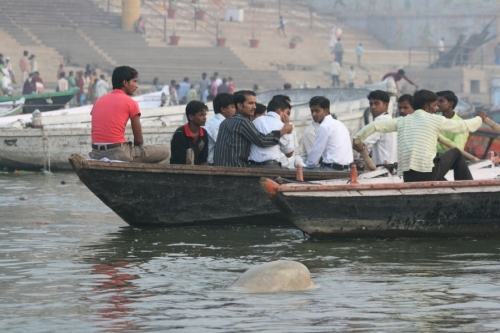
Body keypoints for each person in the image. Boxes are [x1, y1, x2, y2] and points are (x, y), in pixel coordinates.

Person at [353, 89, 485, 182]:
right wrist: (480, 118)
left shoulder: (402, 121)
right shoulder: (434, 119)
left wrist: (358, 138)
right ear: (427, 107)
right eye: (435, 106)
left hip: (408, 176)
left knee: (435, 161)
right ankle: (465, 188)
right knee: (456, 153)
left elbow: (376, 126)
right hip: (427, 173)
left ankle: (445, 186)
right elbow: (463, 126)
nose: (437, 109)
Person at [89, 66, 169, 163]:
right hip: (118, 153)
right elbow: (139, 140)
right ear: (125, 83)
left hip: (95, 152)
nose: (137, 85)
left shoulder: (98, 101)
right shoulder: (130, 103)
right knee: (164, 150)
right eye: (134, 81)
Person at [213, 90, 293, 167]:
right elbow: (262, 141)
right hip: (235, 169)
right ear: (240, 106)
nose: (254, 107)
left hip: (222, 168)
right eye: (250, 103)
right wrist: (284, 130)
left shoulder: (225, 122)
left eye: (255, 103)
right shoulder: (241, 121)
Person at [304, 96, 353, 170]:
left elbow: (314, 157)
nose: (313, 114)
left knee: (300, 171)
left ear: (326, 111)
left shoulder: (324, 126)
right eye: (312, 111)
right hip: (347, 168)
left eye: (317, 111)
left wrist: (306, 168)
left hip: (331, 169)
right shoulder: (339, 123)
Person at [248, 98, 294, 169]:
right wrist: (286, 126)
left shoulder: (255, 121)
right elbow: (289, 153)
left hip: (252, 166)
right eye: (287, 113)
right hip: (271, 167)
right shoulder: (282, 126)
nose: (288, 117)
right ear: (279, 111)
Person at [363, 90, 397, 165]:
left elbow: (365, 144)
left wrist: (362, 159)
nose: (373, 107)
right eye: (371, 104)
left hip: (382, 169)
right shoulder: (392, 121)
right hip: (394, 169)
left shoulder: (380, 123)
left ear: (386, 105)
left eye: (377, 103)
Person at [170, 101, 208, 165]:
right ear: (191, 117)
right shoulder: (180, 134)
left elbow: (203, 159)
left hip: (198, 171)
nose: (204, 118)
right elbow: (181, 160)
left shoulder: (204, 133)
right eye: (201, 115)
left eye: (205, 115)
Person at [204, 93, 236, 165]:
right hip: (213, 163)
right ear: (223, 109)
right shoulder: (215, 124)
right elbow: (225, 145)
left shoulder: (218, 122)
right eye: (233, 107)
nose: (235, 110)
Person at [436, 90, 468, 154]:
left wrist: (438, 137)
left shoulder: (461, 124)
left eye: (441, 101)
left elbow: (458, 148)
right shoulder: (435, 119)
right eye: (437, 101)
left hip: (450, 159)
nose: (438, 104)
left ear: (450, 103)